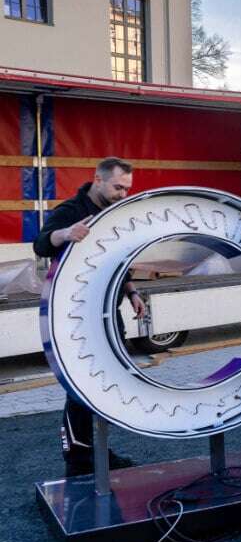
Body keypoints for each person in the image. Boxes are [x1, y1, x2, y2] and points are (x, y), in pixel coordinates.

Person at [33, 157, 145, 476]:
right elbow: (41, 244)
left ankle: (97, 452)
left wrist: (133, 292)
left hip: (110, 313)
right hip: (77, 317)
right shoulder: (70, 210)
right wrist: (67, 233)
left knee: (107, 382)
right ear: (98, 178)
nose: (123, 193)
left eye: (127, 188)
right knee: (81, 386)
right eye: (118, 186)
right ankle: (78, 456)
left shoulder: (115, 214)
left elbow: (119, 261)